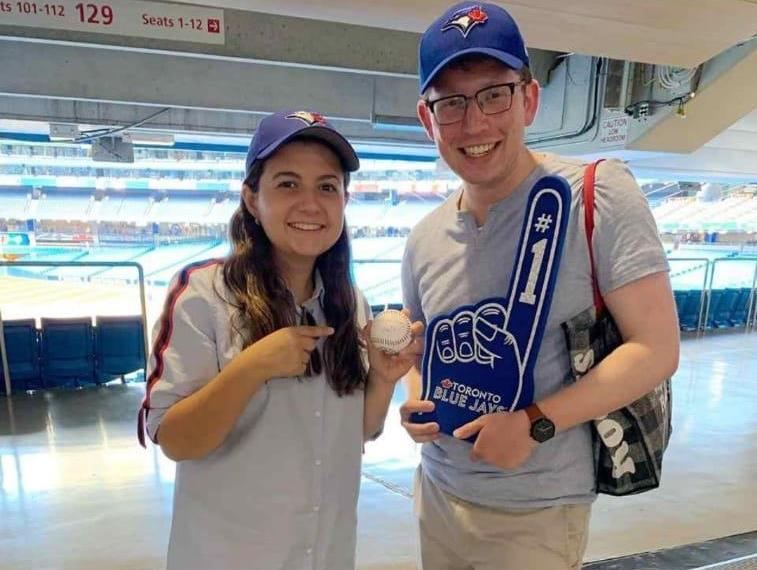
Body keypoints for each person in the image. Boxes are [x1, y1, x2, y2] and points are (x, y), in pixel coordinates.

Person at [400, 3, 680, 569]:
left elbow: (656, 349)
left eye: (494, 95)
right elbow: (420, 349)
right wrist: (415, 399)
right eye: (451, 103)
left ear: (528, 99)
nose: (474, 123)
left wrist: (534, 424)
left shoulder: (595, 195)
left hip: (537, 511)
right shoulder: (424, 238)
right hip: (438, 492)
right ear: (428, 121)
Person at [137, 109, 422, 570]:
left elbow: (357, 433)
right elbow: (176, 440)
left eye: (327, 187)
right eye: (288, 184)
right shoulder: (204, 294)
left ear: (344, 200)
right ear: (252, 198)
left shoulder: (349, 302)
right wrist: (253, 367)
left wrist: (384, 380)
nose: (311, 204)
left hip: (327, 555)